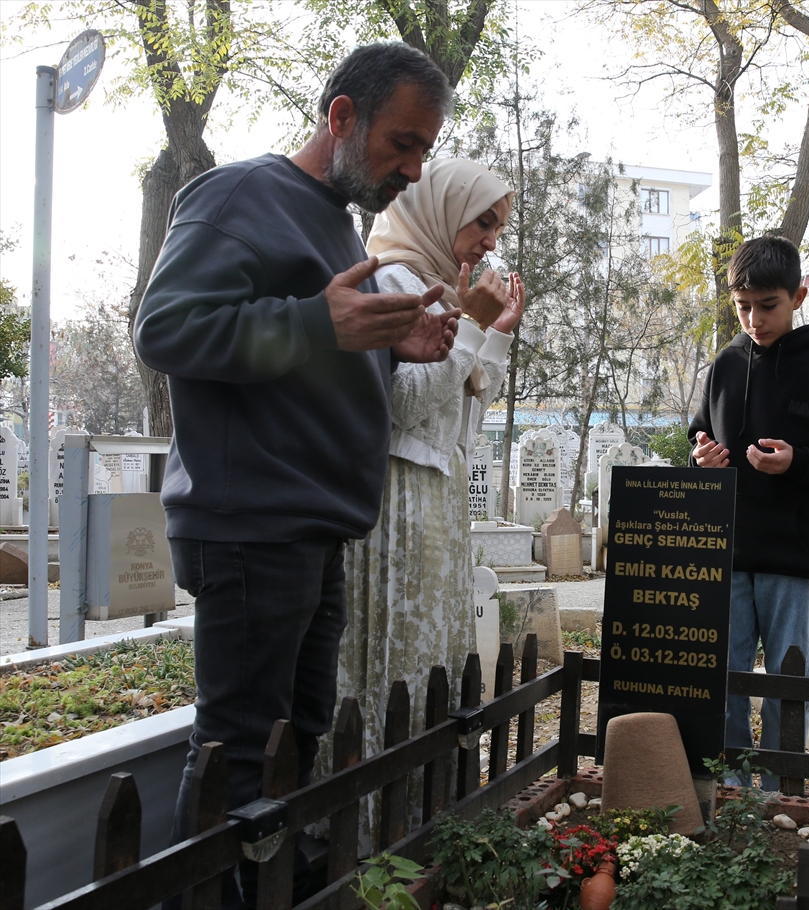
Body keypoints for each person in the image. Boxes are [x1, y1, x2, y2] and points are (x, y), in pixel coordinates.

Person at [133, 42, 457, 907]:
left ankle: (267, 890)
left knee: (293, 742)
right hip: (248, 526)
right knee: (238, 757)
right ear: (341, 116)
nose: (413, 169)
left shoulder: (337, 222)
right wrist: (322, 328)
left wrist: (394, 348)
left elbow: (311, 354)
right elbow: (165, 330)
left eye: (425, 149)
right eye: (402, 143)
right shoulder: (242, 194)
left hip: (312, 528)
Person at [319, 158, 524, 846]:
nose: (491, 241)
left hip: (436, 497)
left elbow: (460, 420)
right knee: (392, 666)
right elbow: (401, 406)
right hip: (396, 497)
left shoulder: (441, 283)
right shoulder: (392, 278)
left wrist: (489, 334)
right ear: (441, 210)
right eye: (484, 222)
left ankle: (420, 820)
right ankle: (369, 830)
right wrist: (469, 326)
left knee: (428, 664)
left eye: (498, 226)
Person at [688, 236, 809, 789]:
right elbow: (697, 433)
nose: (754, 318)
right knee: (724, 679)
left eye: (767, 305)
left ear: (797, 296)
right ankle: (728, 788)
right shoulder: (724, 366)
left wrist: (798, 463)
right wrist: (701, 457)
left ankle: (779, 794)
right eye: (742, 305)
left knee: (786, 685)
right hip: (726, 552)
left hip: (794, 559)